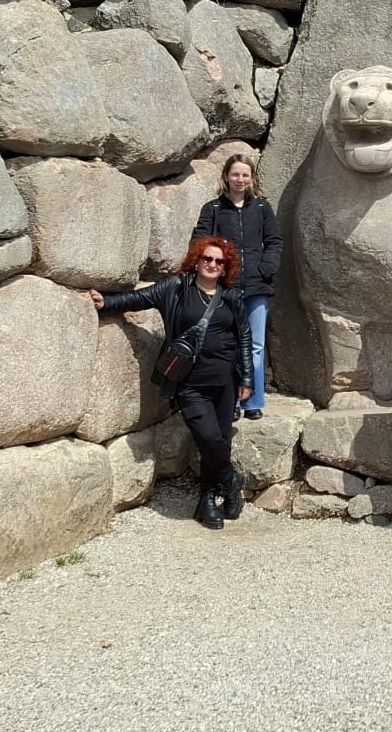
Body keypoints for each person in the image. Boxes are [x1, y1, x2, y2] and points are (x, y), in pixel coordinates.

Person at [90, 236, 253, 529]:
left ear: (225, 267)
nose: (212, 264)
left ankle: (207, 500)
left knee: (220, 441)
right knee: (209, 438)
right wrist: (107, 302)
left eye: (219, 261)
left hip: (225, 382)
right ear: (197, 260)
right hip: (189, 383)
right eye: (207, 258)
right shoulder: (176, 287)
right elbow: (141, 298)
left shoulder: (231, 296)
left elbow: (244, 337)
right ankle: (231, 483)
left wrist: (247, 378)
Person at [191, 153, 280, 420]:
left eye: (245, 175)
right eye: (235, 174)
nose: (240, 179)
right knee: (227, 345)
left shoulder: (262, 208)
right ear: (226, 177)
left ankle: (252, 402)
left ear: (251, 178)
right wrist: (214, 272)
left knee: (255, 346)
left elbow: (274, 241)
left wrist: (266, 268)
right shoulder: (213, 209)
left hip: (257, 286)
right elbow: (199, 241)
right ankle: (229, 403)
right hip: (225, 287)